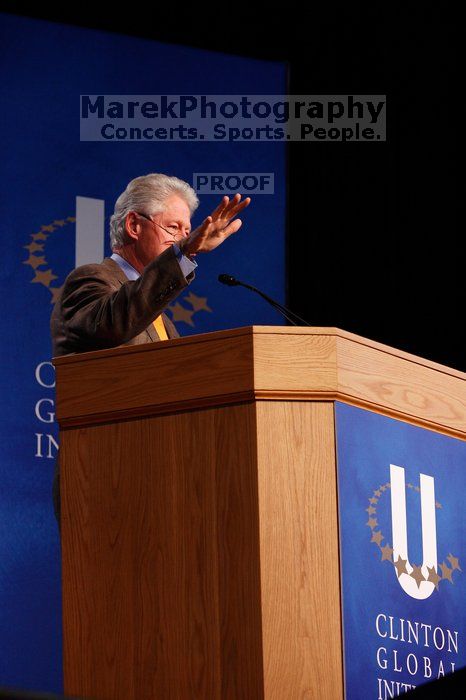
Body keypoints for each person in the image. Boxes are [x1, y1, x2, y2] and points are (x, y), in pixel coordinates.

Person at [50, 172, 251, 522]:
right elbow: (115, 322)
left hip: (160, 475)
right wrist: (184, 253)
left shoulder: (163, 320)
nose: (183, 239)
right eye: (174, 228)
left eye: (187, 232)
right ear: (133, 225)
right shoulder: (91, 280)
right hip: (104, 472)